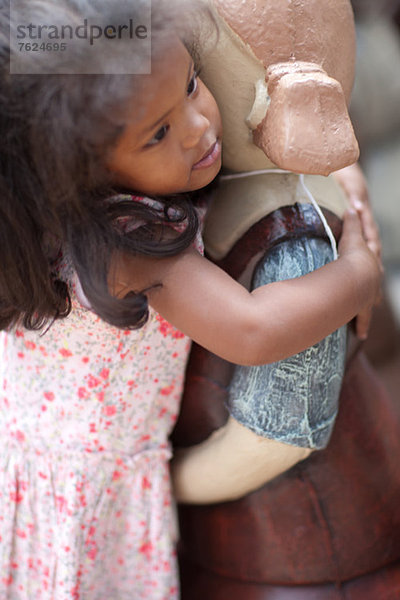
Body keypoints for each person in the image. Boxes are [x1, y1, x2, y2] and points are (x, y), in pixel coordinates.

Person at [0, 0, 380, 598]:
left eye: (193, 84)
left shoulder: (55, 213)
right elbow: (255, 331)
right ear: (77, 173)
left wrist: (341, 172)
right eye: (159, 133)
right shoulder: (130, 244)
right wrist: (359, 269)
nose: (201, 125)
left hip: (28, 462)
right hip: (89, 497)